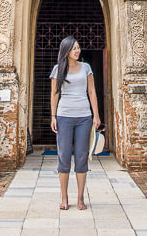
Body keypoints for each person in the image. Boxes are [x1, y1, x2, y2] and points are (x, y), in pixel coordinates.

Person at [50, 36, 101, 211]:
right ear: (66, 51)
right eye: (74, 49)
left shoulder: (86, 68)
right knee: (63, 157)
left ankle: (80, 198)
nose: (77, 51)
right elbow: (55, 94)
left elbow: (92, 91)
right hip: (64, 116)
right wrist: (53, 116)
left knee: (81, 157)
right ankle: (64, 198)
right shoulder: (58, 70)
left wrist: (96, 115)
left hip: (84, 116)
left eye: (78, 48)